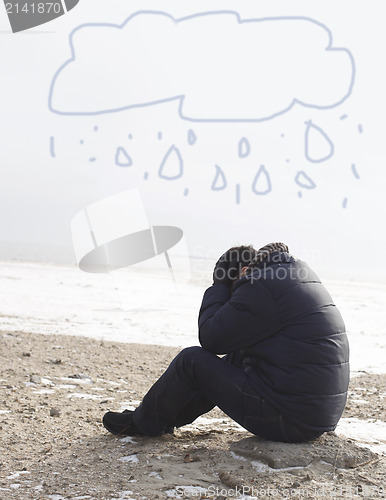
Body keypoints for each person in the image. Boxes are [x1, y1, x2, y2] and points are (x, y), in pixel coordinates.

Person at [103, 242, 349, 443]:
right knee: (236, 357)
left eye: (233, 291)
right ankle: (160, 419)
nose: (233, 298)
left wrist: (218, 286)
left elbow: (211, 338)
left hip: (290, 421)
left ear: (241, 273)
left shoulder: (258, 284)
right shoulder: (291, 274)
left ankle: (143, 424)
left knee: (191, 361)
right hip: (316, 417)